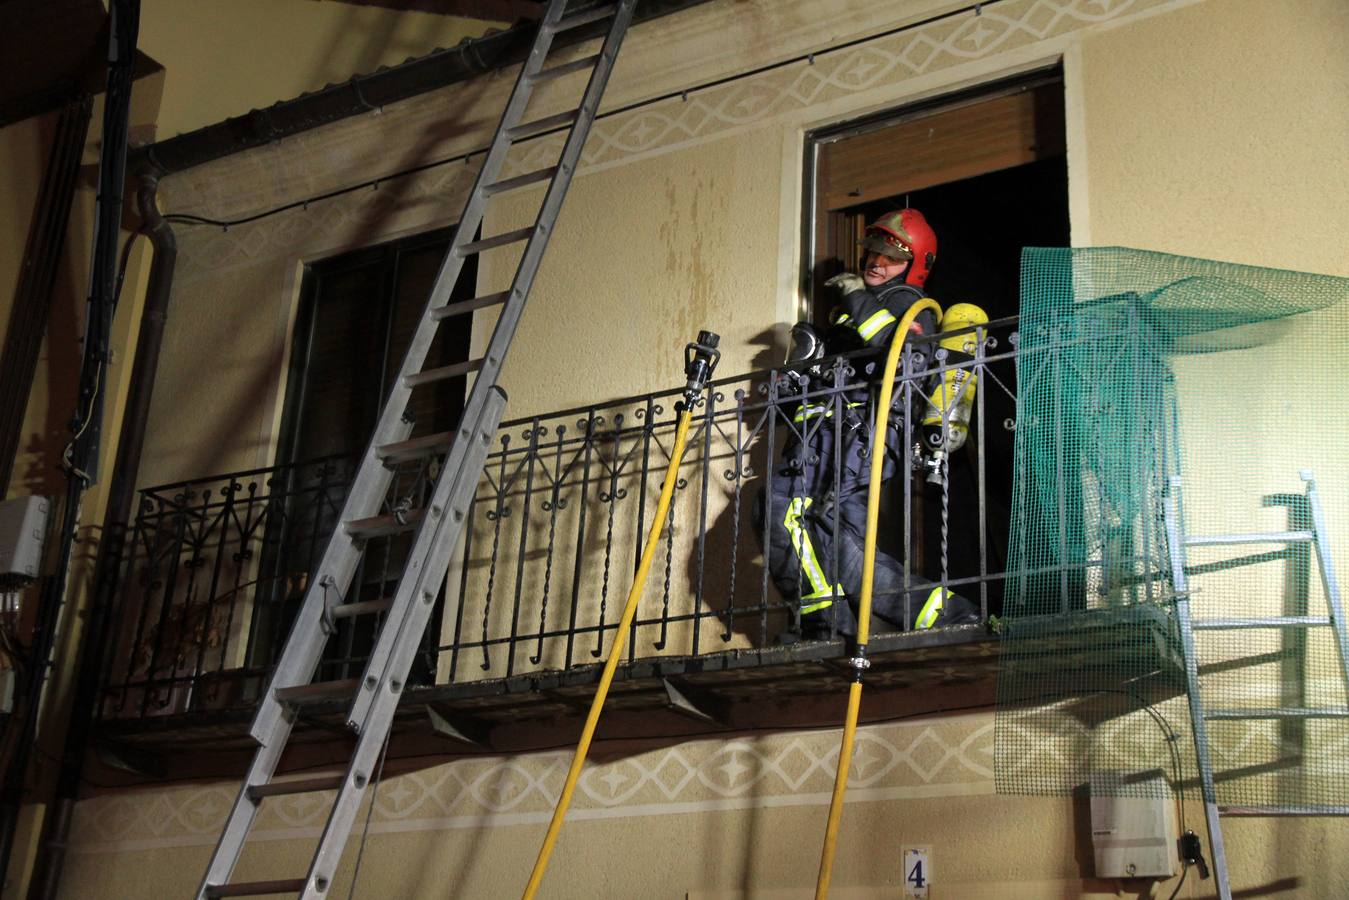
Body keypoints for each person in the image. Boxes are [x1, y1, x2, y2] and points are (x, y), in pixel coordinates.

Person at [756, 208, 984, 640]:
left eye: (891, 255)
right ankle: (948, 615)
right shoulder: (849, 311)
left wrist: (859, 299)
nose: (875, 262)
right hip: (827, 436)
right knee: (842, 545)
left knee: (778, 507)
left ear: (916, 264)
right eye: (872, 252)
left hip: (863, 435)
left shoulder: (911, 305)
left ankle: (823, 626)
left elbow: (907, 362)